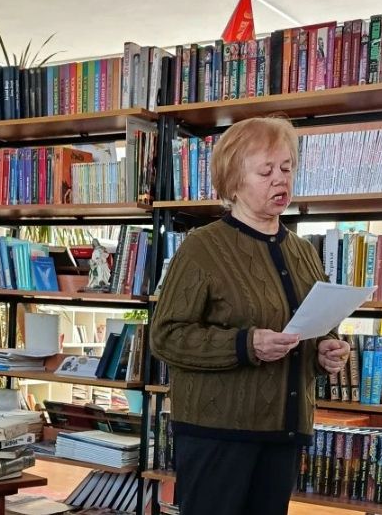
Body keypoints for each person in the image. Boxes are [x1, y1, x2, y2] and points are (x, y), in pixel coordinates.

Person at [150, 117, 350, 515]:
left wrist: (326, 351)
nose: (280, 179)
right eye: (266, 171)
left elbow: (316, 327)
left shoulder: (303, 252)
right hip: (217, 435)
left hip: (284, 432)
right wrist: (246, 344)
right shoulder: (202, 247)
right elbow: (166, 336)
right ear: (234, 180)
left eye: (287, 168)